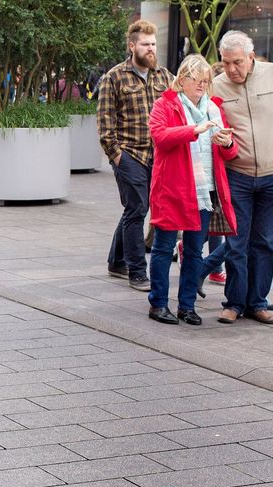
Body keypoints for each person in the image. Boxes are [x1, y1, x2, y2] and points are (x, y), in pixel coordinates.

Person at [203, 30, 273, 325]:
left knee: (266, 242)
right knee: (236, 243)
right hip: (237, 175)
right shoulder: (217, 86)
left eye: (237, 62)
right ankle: (234, 303)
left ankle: (257, 302)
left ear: (251, 57)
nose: (231, 69)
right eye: (226, 63)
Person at [147, 54, 239, 326]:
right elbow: (160, 138)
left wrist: (225, 143)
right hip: (173, 188)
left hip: (205, 191)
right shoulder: (165, 104)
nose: (202, 86)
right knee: (163, 248)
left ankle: (187, 306)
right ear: (183, 80)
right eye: (197, 80)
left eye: (206, 81)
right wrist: (193, 130)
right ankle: (159, 304)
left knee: (194, 250)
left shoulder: (214, 108)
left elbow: (230, 152)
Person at [98, 20, 173, 293]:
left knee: (134, 208)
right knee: (138, 209)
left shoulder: (165, 76)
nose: (151, 49)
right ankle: (137, 271)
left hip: (160, 155)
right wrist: (117, 156)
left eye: (153, 44)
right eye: (145, 44)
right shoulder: (114, 77)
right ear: (132, 46)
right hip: (130, 155)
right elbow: (105, 122)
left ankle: (116, 261)